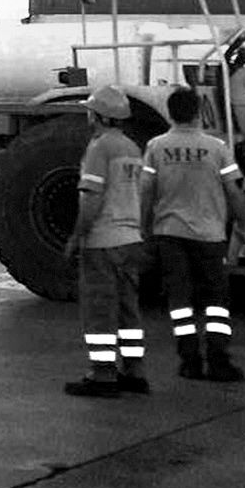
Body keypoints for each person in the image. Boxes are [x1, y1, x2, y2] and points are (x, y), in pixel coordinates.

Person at [141, 85, 245, 383]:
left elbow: (146, 191)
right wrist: (243, 223)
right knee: (216, 301)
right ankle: (218, 360)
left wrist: (144, 227)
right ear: (198, 112)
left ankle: (189, 361)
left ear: (171, 113)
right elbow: (233, 191)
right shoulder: (217, 148)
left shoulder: (156, 147)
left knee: (180, 300)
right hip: (210, 236)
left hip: (169, 233)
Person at [62, 85, 148, 397]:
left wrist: (77, 235)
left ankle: (103, 374)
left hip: (103, 241)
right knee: (128, 308)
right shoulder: (131, 147)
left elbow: (92, 199)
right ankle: (134, 371)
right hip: (130, 238)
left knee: (100, 308)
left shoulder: (100, 147)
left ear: (98, 115)